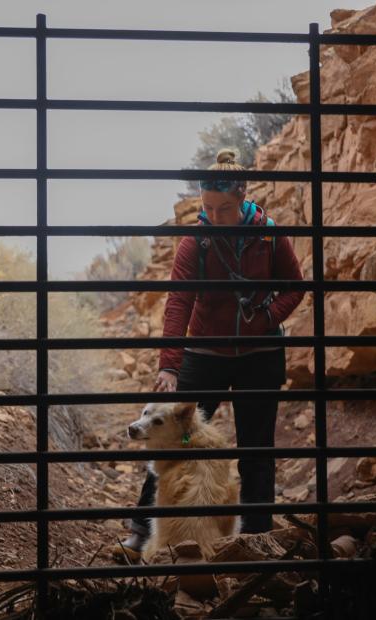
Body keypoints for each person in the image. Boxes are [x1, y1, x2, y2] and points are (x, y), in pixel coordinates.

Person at [118, 147, 305, 559]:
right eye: (208, 208)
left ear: (242, 198)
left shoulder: (270, 235)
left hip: (260, 354)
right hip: (204, 353)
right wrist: (169, 366)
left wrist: (268, 317)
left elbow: (296, 285)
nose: (215, 217)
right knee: (172, 440)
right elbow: (178, 303)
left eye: (224, 208)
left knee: (258, 451)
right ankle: (140, 531)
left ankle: (256, 538)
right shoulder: (194, 242)